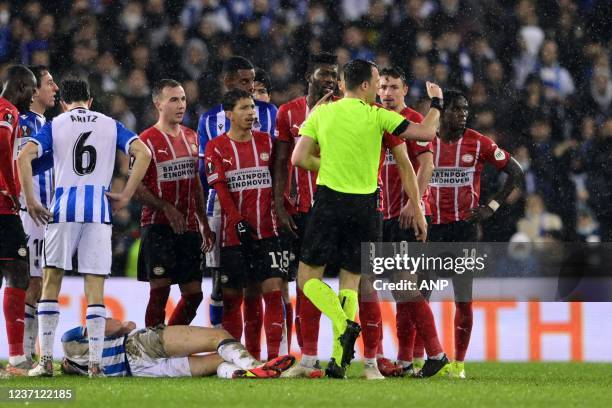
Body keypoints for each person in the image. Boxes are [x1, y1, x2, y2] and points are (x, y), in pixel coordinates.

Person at [291, 59, 444, 378]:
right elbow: (427, 131)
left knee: (307, 280)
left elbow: (300, 158)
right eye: (377, 83)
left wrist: (332, 165)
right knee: (351, 283)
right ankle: (338, 361)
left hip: (330, 202)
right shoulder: (378, 116)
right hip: (367, 208)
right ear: (363, 86)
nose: (380, 89)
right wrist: (437, 102)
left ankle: (344, 325)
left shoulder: (322, 112)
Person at [18, 78, 152, 377]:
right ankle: (94, 363)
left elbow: (25, 156)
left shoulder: (56, 123)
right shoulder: (109, 123)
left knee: (51, 281)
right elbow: (144, 153)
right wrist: (127, 194)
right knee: (95, 288)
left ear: (64, 102)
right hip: (98, 210)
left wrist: (30, 198)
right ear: (90, 101)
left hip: (64, 208)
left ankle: (45, 363)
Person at [426, 90, 524, 378]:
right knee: (421, 295)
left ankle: (458, 365)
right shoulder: (425, 139)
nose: (462, 114)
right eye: (456, 109)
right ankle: (424, 358)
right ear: (442, 113)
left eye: (465, 109)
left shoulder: (478, 142)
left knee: (463, 298)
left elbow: (516, 172)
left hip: (464, 229)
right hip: (432, 227)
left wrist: (491, 207)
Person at [197, 57, 278, 353]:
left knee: (264, 287)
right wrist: (207, 219)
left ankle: (262, 353)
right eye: (245, 82)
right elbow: (205, 173)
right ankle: (225, 350)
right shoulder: (208, 121)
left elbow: (279, 168)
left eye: (253, 81)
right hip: (220, 210)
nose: (252, 87)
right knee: (222, 288)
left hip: (262, 213)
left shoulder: (270, 114)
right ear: (229, 82)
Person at [375, 66, 445, 377]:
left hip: (409, 214)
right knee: (401, 291)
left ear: (405, 90)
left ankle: (437, 354)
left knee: (405, 287)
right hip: (385, 215)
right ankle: (405, 360)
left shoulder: (414, 121)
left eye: (393, 87)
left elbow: (428, 164)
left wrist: (413, 203)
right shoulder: (377, 119)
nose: (387, 93)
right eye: (383, 87)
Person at [273, 52, 338, 377]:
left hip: (340, 208)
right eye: (323, 74)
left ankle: (368, 357)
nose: (329, 80)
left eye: (334, 75)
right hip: (302, 212)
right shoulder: (288, 113)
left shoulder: (344, 111)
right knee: (304, 284)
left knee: (360, 284)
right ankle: (309, 356)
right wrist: (279, 203)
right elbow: (282, 161)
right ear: (309, 78)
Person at [135, 79, 214, 329]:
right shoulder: (145, 141)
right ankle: (150, 351)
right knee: (160, 291)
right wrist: (166, 207)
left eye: (182, 99)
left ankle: (169, 341)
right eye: (174, 100)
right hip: (157, 226)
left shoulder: (192, 137)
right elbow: (137, 187)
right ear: (158, 104)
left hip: (188, 227)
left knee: (194, 295)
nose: (181, 105)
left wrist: (204, 223)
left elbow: (196, 185)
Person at [60, 318, 295, 379]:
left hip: (141, 373)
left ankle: (237, 373)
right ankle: (257, 367)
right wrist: (120, 324)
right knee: (219, 337)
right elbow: (120, 326)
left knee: (215, 362)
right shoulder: (67, 339)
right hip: (137, 346)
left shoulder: (84, 370)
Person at [18, 65, 59, 366]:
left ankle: (28, 353)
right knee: (32, 283)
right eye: (49, 83)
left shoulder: (43, 122)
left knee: (38, 281)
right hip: (29, 212)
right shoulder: (25, 123)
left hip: (43, 214)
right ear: (34, 91)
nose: (55, 88)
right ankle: (24, 354)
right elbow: (22, 165)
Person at [0, 65, 37, 375]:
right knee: (19, 271)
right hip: (2, 207)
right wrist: (10, 188)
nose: (32, 96)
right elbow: (1, 142)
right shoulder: (7, 110)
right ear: (21, 86)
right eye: (32, 89)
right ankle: (16, 359)